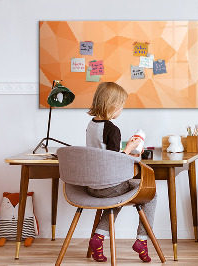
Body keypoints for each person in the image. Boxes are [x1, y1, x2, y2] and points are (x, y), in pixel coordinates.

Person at [86, 82, 156, 263]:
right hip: (109, 186)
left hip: (92, 186)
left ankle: (98, 238)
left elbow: (103, 154)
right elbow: (114, 161)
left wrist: (125, 149)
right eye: (121, 105)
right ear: (113, 105)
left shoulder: (91, 125)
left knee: (116, 197)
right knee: (151, 194)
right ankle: (142, 240)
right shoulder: (112, 129)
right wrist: (131, 148)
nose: (121, 110)